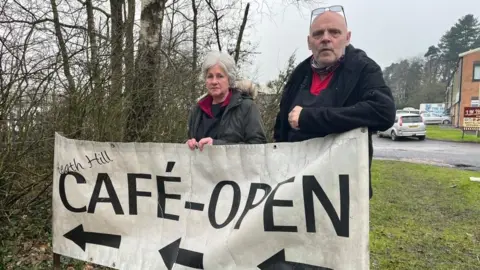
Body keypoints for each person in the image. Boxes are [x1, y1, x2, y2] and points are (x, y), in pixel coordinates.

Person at [273, 9, 396, 198]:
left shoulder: (363, 69)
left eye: (334, 32)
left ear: (347, 38)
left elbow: (383, 112)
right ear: (309, 42)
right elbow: (281, 127)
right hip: (296, 186)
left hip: (342, 190)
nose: (326, 38)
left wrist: (309, 118)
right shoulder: (299, 74)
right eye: (318, 34)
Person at [186, 51, 267, 151]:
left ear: (230, 79)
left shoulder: (246, 107)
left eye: (220, 76)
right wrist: (188, 145)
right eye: (210, 76)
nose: (214, 82)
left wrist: (217, 146)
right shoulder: (197, 110)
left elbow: (259, 146)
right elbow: (191, 141)